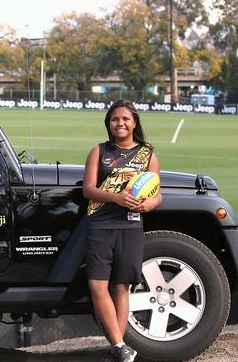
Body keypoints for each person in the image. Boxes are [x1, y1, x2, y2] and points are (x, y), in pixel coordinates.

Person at [82, 100, 162, 362]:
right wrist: (116, 198)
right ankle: (119, 345)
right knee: (97, 285)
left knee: (121, 287)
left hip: (130, 227)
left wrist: (149, 204)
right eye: (115, 119)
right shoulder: (99, 151)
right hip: (100, 225)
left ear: (134, 122)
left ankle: (119, 348)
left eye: (125, 119)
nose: (120, 123)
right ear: (109, 123)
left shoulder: (147, 155)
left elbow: (157, 194)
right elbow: (89, 190)